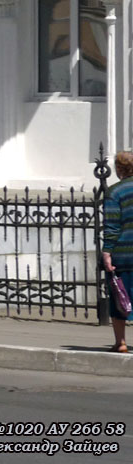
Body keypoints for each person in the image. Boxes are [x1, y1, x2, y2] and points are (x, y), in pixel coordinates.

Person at [103, 151, 133, 353]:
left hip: (123, 255)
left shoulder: (115, 192)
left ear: (119, 169)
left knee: (119, 296)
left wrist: (107, 252)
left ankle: (121, 342)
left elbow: (112, 226)